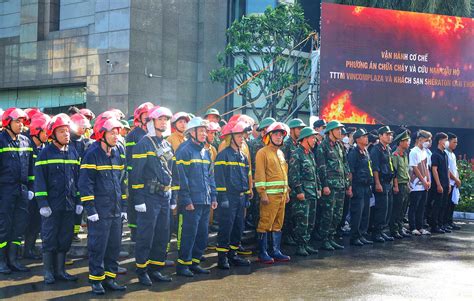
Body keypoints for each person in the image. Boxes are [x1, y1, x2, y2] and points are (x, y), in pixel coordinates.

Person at [79, 117, 128, 295]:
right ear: (101, 134)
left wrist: (123, 207)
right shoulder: (91, 154)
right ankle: (96, 281)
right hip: (99, 212)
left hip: (115, 210)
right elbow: (85, 183)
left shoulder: (117, 152)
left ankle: (110, 279)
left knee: (114, 246)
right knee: (98, 247)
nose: (116, 136)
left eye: (117, 133)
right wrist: (90, 209)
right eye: (112, 133)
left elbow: (122, 182)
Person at [130, 106, 177, 286]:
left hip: (165, 195)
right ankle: (142, 270)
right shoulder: (143, 143)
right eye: (160, 119)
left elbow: (171, 172)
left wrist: (172, 198)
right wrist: (139, 200)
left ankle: (156, 269)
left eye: (166, 119)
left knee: (162, 235)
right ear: (151, 122)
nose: (164, 122)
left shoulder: (165, 144)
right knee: (145, 235)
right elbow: (136, 174)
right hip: (149, 197)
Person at [34, 114, 80, 284]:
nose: (66, 134)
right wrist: (43, 204)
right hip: (52, 206)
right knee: (49, 237)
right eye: (62, 131)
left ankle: (61, 271)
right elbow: (39, 181)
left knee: (65, 237)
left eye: (67, 131)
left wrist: (79, 202)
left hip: (68, 204)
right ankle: (48, 272)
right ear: (53, 134)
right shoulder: (45, 153)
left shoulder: (73, 152)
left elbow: (78, 178)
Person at [175, 117, 217, 277]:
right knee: (188, 234)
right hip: (191, 202)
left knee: (202, 234)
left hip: (205, 200)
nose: (204, 134)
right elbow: (181, 178)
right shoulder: (184, 150)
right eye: (201, 131)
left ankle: (195, 262)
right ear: (191, 132)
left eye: (205, 131)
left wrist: (213, 196)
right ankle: (183, 265)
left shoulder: (205, 152)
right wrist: (186, 200)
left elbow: (210, 176)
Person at [0, 108, 34, 274]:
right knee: (3, 226)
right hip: (5, 189)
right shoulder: (0, 141)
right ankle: (1, 261)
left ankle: (13, 260)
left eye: (22, 122)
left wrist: (31, 188)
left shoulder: (25, 142)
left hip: (22, 190)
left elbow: (31, 169)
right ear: (7, 123)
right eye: (17, 121)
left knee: (19, 225)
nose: (21, 125)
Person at [215, 121, 252, 269]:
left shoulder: (242, 156)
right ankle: (222, 258)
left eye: (242, 135)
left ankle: (233, 255)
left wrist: (247, 194)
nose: (242, 138)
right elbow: (219, 178)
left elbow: (245, 175)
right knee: (226, 227)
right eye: (238, 135)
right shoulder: (223, 156)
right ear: (231, 137)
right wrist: (222, 197)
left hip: (240, 197)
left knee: (238, 227)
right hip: (228, 198)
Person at [255, 122, 291, 264]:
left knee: (277, 224)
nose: (278, 137)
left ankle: (275, 251)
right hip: (269, 196)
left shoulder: (280, 153)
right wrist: (262, 193)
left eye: (281, 135)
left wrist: (287, 191)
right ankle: (262, 252)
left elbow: (284, 174)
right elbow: (260, 174)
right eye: (275, 134)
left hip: (281, 195)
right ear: (269, 136)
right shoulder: (262, 152)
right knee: (265, 223)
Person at [316, 120, 351, 251]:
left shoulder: (339, 146)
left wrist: (347, 184)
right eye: (337, 129)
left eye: (340, 130)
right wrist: (324, 185)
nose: (340, 132)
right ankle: (325, 239)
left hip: (340, 185)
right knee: (328, 214)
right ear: (330, 131)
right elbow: (321, 167)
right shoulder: (323, 146)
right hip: (330, 186)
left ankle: (331, 237)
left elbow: (345, 164)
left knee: (337, 214)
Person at [288, 127, 321, 256]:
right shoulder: (297, 154)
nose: (314, 140)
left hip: (312, 192)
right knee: (302, 220)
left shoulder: (310, 154)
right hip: (302, 194)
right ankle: (300, 245)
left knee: (310, 221)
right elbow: (294, 175)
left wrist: (318, 188)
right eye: (312, 138)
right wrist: (299, 191)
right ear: (305, 139)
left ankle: (306, 243)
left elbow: (315, 172)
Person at [23, 113, 51, 260]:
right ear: (36, 132)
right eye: (45, 132)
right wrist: (29, 188)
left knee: (37, 223)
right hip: (29, 192)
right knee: (30, 222)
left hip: (41, 192)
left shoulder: (45, 148)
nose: (48, 135)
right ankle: (27, 250)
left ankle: (31, 249)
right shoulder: (28, 147)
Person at [126, 102, 154, 240]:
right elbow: (129, 157)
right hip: (135, 174)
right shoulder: (133, 135)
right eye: (145, 115)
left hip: (149, 176)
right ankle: (134, 231)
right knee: (134, 202)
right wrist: (133, 173)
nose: (148, 118)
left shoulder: (152, 134)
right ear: (139, 117)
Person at [347, 128, 374, 246]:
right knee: (357, 212)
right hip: (357, 186)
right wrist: (350, 187)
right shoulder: (353, 152)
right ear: (358, 139)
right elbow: (350, 171)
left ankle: (362, 234)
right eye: (364, 136)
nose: (366, 138)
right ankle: (355, 236)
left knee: (365, 212)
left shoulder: (366, 152)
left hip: (366, 186)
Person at [70, 113, 93, 242]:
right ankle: (70, 233)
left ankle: (75, 232)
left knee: (80, 209)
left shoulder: (86, 143)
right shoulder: (67, 142)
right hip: (70, 180)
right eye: (80, 127)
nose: (82, 130)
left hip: (82, 179)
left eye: (84, 127)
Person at [369, 126, 395, 243]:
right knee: (381, 209)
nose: (389, 136)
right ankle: (376, 232)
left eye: (390, 134)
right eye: (387, 134)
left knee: (388, 209)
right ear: (380, 136)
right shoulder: (376, 149)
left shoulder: (387, 149)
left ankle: (382, 231)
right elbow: (375, 168)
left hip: (388, 182)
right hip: (381, 182)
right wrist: (377, 183)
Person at [408, 130, 432, 236]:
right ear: (420, 139)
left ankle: (420, 226)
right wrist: (423, 180)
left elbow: (426, 167)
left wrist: (429, 181)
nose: (428, 142)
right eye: (427, 140)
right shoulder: (414, 151)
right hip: (415, 185)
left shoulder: (425, 152)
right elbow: (415, 168)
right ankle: (412, 227)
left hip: (424, 185)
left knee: (422, 206)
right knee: (414, 206)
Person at [389, 130, 412, 239]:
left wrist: (408, 183)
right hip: (399, 184)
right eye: (406, 141)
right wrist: (396, 186)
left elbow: (406, 171)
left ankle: (400, 227)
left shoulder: (405, 155)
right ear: (400, 142)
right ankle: (394, 229)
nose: (408, 143)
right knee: (397, 209)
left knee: (403, 209)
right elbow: (394, 172)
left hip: (405, 184)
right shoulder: (395, 155)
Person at [430, 132, 451, 234]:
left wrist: (448, 184)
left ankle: (441, 224)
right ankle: (435, 225)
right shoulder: (435, 155)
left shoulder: (445, 154)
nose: (447, 142)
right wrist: (438, 184)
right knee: (437, 205)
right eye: (445, 140)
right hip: (438, 184)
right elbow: (434, 170)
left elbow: (447, 169)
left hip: (446, 184)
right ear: (440, 141)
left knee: (444, 205)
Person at [444, 133, 461, 231]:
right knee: (446, 204)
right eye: (454, 142)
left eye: (456, 142)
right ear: (448, 142)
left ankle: (450, 221)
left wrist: (458, 180)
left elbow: (455, 169)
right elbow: (448, 170)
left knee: (452, 204)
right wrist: (455, 179)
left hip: (454, 183)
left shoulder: (453, 154)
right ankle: (445, 222)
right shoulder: (445, 153)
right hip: (448, 182)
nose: (456, 144)